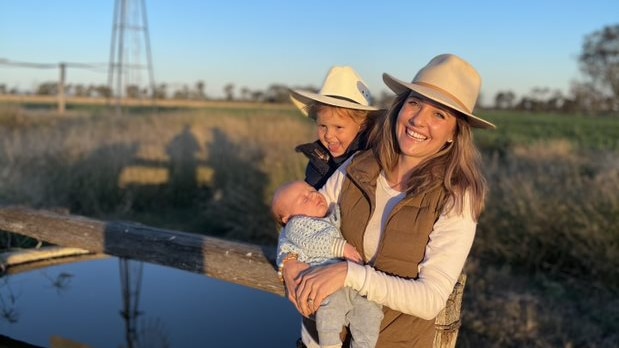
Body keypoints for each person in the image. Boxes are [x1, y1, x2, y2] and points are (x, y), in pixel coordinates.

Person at [279, 54, 496, 347]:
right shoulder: (357, 165)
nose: (419, 120)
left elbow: (430, 300)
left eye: (439, 114)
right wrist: (289, 262)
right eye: (415, 103)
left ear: (453, 134)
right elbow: (299, 220)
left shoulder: (457, 197)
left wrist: (349, 274)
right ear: (400, 107)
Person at [272, 180, 384, 348]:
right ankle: (330, 345)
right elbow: (313, 241)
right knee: (329, 314)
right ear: (288, 219)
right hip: (321, 282)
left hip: (347, 282)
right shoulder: (297, 225)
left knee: (370, 310)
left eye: (311, 190)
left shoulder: (328, 214)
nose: (314, 196)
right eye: (304, 200)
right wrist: (341, 247)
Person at [289, 66, 381, 190]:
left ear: (362, 125)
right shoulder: (317, 161)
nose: (328, 135)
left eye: (338, 127)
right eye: (323, 126)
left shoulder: (372, 163)